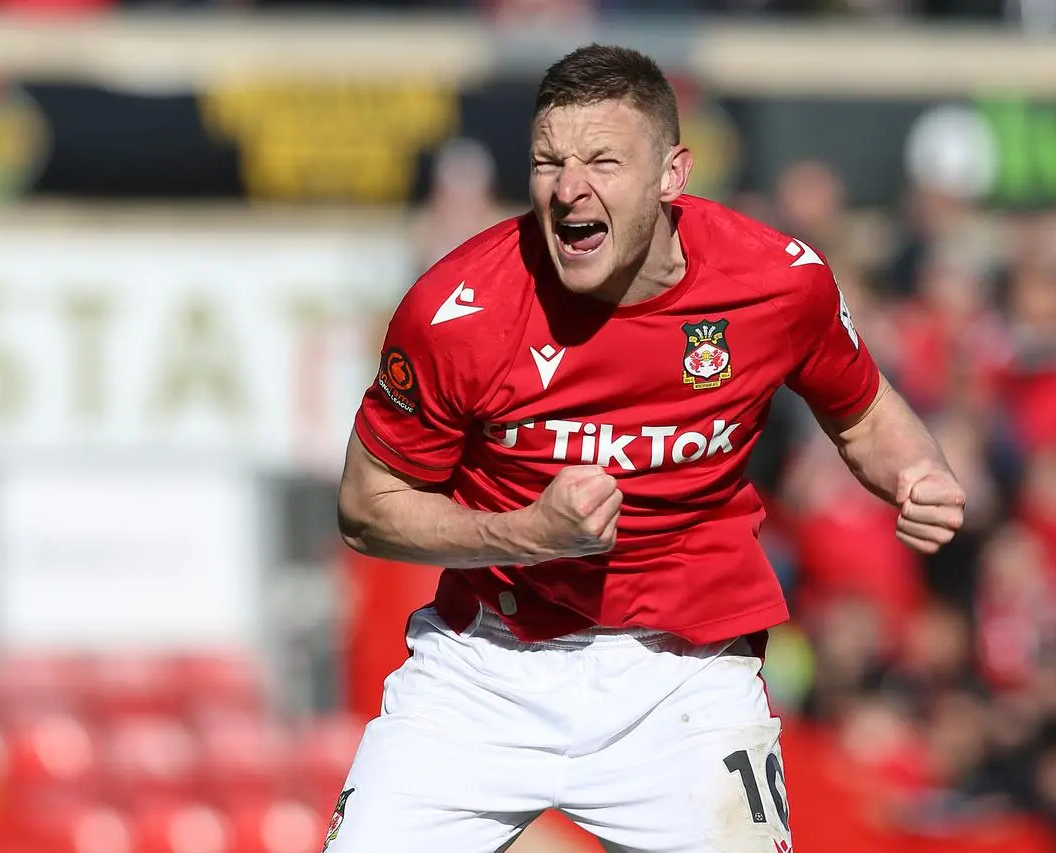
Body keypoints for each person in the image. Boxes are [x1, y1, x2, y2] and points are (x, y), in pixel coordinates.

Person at [333, 43, 965, 853]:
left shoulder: (777, 280)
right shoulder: (454, 311)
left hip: (687, 682)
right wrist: (526, 533)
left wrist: (918, 470)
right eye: (548, 161)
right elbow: (365, 507)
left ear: (673, 174)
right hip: (484, 671)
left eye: (602, 160)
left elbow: (865, 409)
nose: (569, 189)